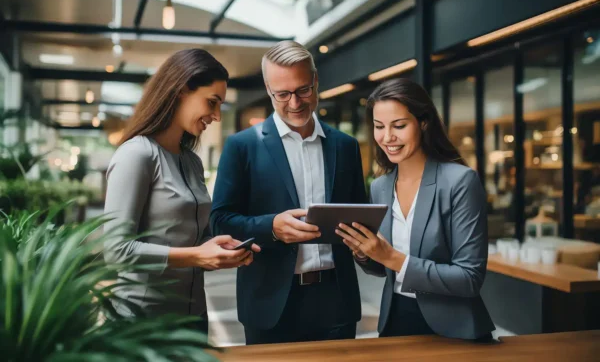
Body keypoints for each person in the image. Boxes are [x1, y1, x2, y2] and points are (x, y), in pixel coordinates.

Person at [210, 40, 367, 344]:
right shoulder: (242, 146)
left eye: (303, 90)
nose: (294, 103)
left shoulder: (346, 147)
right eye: (282, 94)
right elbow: (220, 221)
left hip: (337, 300)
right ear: (268, 90)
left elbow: (359, 216)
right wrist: (272, 228)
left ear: (316, 82)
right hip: (269, 303)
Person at [103, 49, 260, 333]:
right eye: (211, 102)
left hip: (194, 319)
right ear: (180, 91)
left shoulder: (191, 162)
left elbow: (194, 240)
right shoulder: (136, 155)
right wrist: (196, 255)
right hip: (142, 325)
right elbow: (116, 250)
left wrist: (221, 250)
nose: (215, 116)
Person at [336, 78, 495, 340]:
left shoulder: (459, 181)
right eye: (379, 127)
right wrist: (366, 253)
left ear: (423, 122)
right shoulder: (380, 187)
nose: (387, 137)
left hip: (454, 328)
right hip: (394, 321)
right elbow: (384, 269)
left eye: (399, 125)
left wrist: (391, 257)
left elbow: (470, 278)